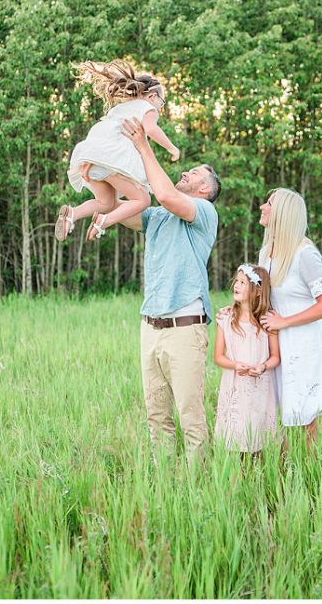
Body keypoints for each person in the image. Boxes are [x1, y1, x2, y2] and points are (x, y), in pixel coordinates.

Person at [117, 115, 221, 463]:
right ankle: (165, 488)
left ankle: (197, 494)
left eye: (194, 174)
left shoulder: (203, 211)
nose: (186, 174)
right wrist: (102, 170)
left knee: (191, 418)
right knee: (157, 417)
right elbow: (126, 208)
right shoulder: (160, 215)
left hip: (184, 328)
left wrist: (144, 145)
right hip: (150, 327)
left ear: (205, 189)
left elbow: (163, 192)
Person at [56, 60, 180, 243]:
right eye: (162, 102)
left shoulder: (120, 109)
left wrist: (90, 158)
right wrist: (172, 147)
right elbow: (152, 130)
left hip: (91, 158)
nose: (161, 107)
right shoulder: (148, 109)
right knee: (143, 201)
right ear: (153, 96)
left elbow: (101, 131)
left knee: (106, 203)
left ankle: (71, 215)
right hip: (109, 160)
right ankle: (104, 221)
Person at [257, 188, 322, 453]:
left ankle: (313, 473)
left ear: (282, 213)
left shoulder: (304, 253)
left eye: (269, 204)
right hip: (275, 340)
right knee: (277, 408)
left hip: (303, 340)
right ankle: (283, 471)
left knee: (306, 415)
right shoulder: (267, 252)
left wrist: (285, 322)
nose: (262, 207)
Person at [213, 264, 280, 455]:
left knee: (258, 437)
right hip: (235, 386)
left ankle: (258, 477)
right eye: (237, 281)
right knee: (236, 437)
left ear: (257, 291)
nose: (237, 285)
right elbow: (218, 356)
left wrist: (263, 366)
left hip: (260, 387)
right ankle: (239, 478)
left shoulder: (267, 322)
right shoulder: (226, 319)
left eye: (243, 282)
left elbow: (275, 356)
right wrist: (235, 365)